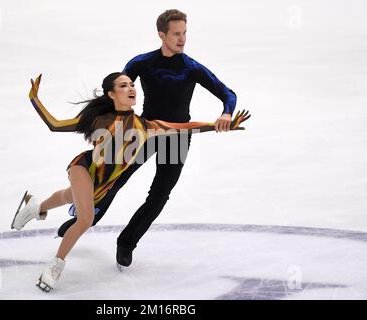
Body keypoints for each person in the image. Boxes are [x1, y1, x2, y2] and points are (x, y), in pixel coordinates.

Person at [12, 72, 249, 292]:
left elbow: (185, 127)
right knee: (86, 218)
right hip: (83, 168)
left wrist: (219, 125)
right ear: (112, 95)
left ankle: (36, 207)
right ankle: (55, 265)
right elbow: (55, 125)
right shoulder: (100, 119)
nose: (131, 88)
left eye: (132, 84)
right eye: (123, 85)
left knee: (68, 196)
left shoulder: (146, 127)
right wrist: (34, 98)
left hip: (101, 185)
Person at [57, 9, 239, 269]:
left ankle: (127, 243)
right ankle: (88, 219)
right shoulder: (142, 63)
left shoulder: (191, 68)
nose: (182, 38)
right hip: (143, 132)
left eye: (185, 33)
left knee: (159, 195)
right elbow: (117, 92)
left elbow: (227, 92)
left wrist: (226, 113)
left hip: (176, 137)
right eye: (176, 33)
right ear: (161, 34)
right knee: (115, 177)